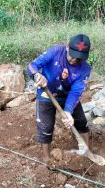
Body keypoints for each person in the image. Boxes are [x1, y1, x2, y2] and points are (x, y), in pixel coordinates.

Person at [27, 34, 91, 162]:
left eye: (79, 59)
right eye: (72, 56)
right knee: (46, 127)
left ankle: (86, 153)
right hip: (46, 95)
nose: (74, 60)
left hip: (68, 97)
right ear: (67, 48)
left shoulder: (85, 69)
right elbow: (32, 65)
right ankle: (46, 158)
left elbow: (75, 93)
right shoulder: (56, 51)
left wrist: (68, 111)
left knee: (82, 123)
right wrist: (36, 75)